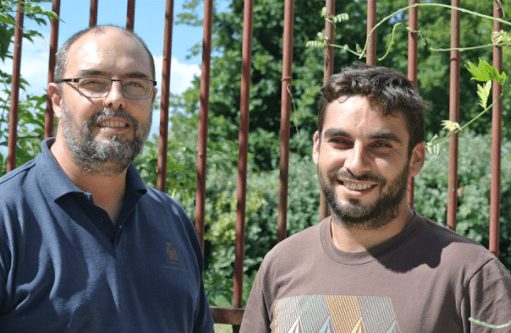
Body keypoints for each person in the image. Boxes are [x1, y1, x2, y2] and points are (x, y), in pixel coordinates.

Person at [240, 65, 511, 332]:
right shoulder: (280, 264)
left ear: (416, 158)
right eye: (340, 141)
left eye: (380, 145)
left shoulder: (471, 275)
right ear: (317, 147)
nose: (356, 165)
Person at [0, 25, 214, 332]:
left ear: (152, 98)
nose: (116, 98)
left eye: (135, 85)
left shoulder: (173, 220)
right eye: (93, 82)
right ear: (57, 100)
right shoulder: (7, 216)